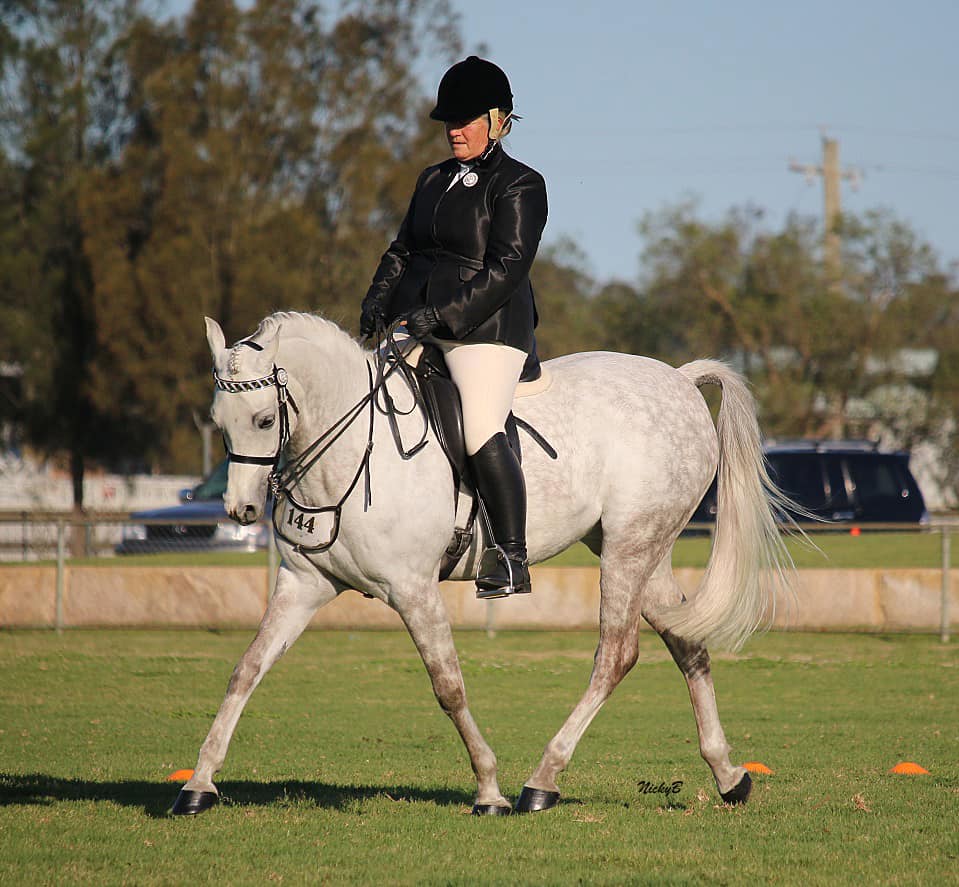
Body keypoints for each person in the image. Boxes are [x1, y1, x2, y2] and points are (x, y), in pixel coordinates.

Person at [360, 55, 548, 600]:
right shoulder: (432, 180)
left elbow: (507, 267)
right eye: (449, 121)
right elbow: (403, 250)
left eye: (465, 120)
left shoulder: (521, 185)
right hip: (418, 321)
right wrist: (377, 298)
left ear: (497, 120)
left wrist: (443, 316)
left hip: (486, 329)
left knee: (482, 425)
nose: (454, 131)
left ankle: (511, 556)